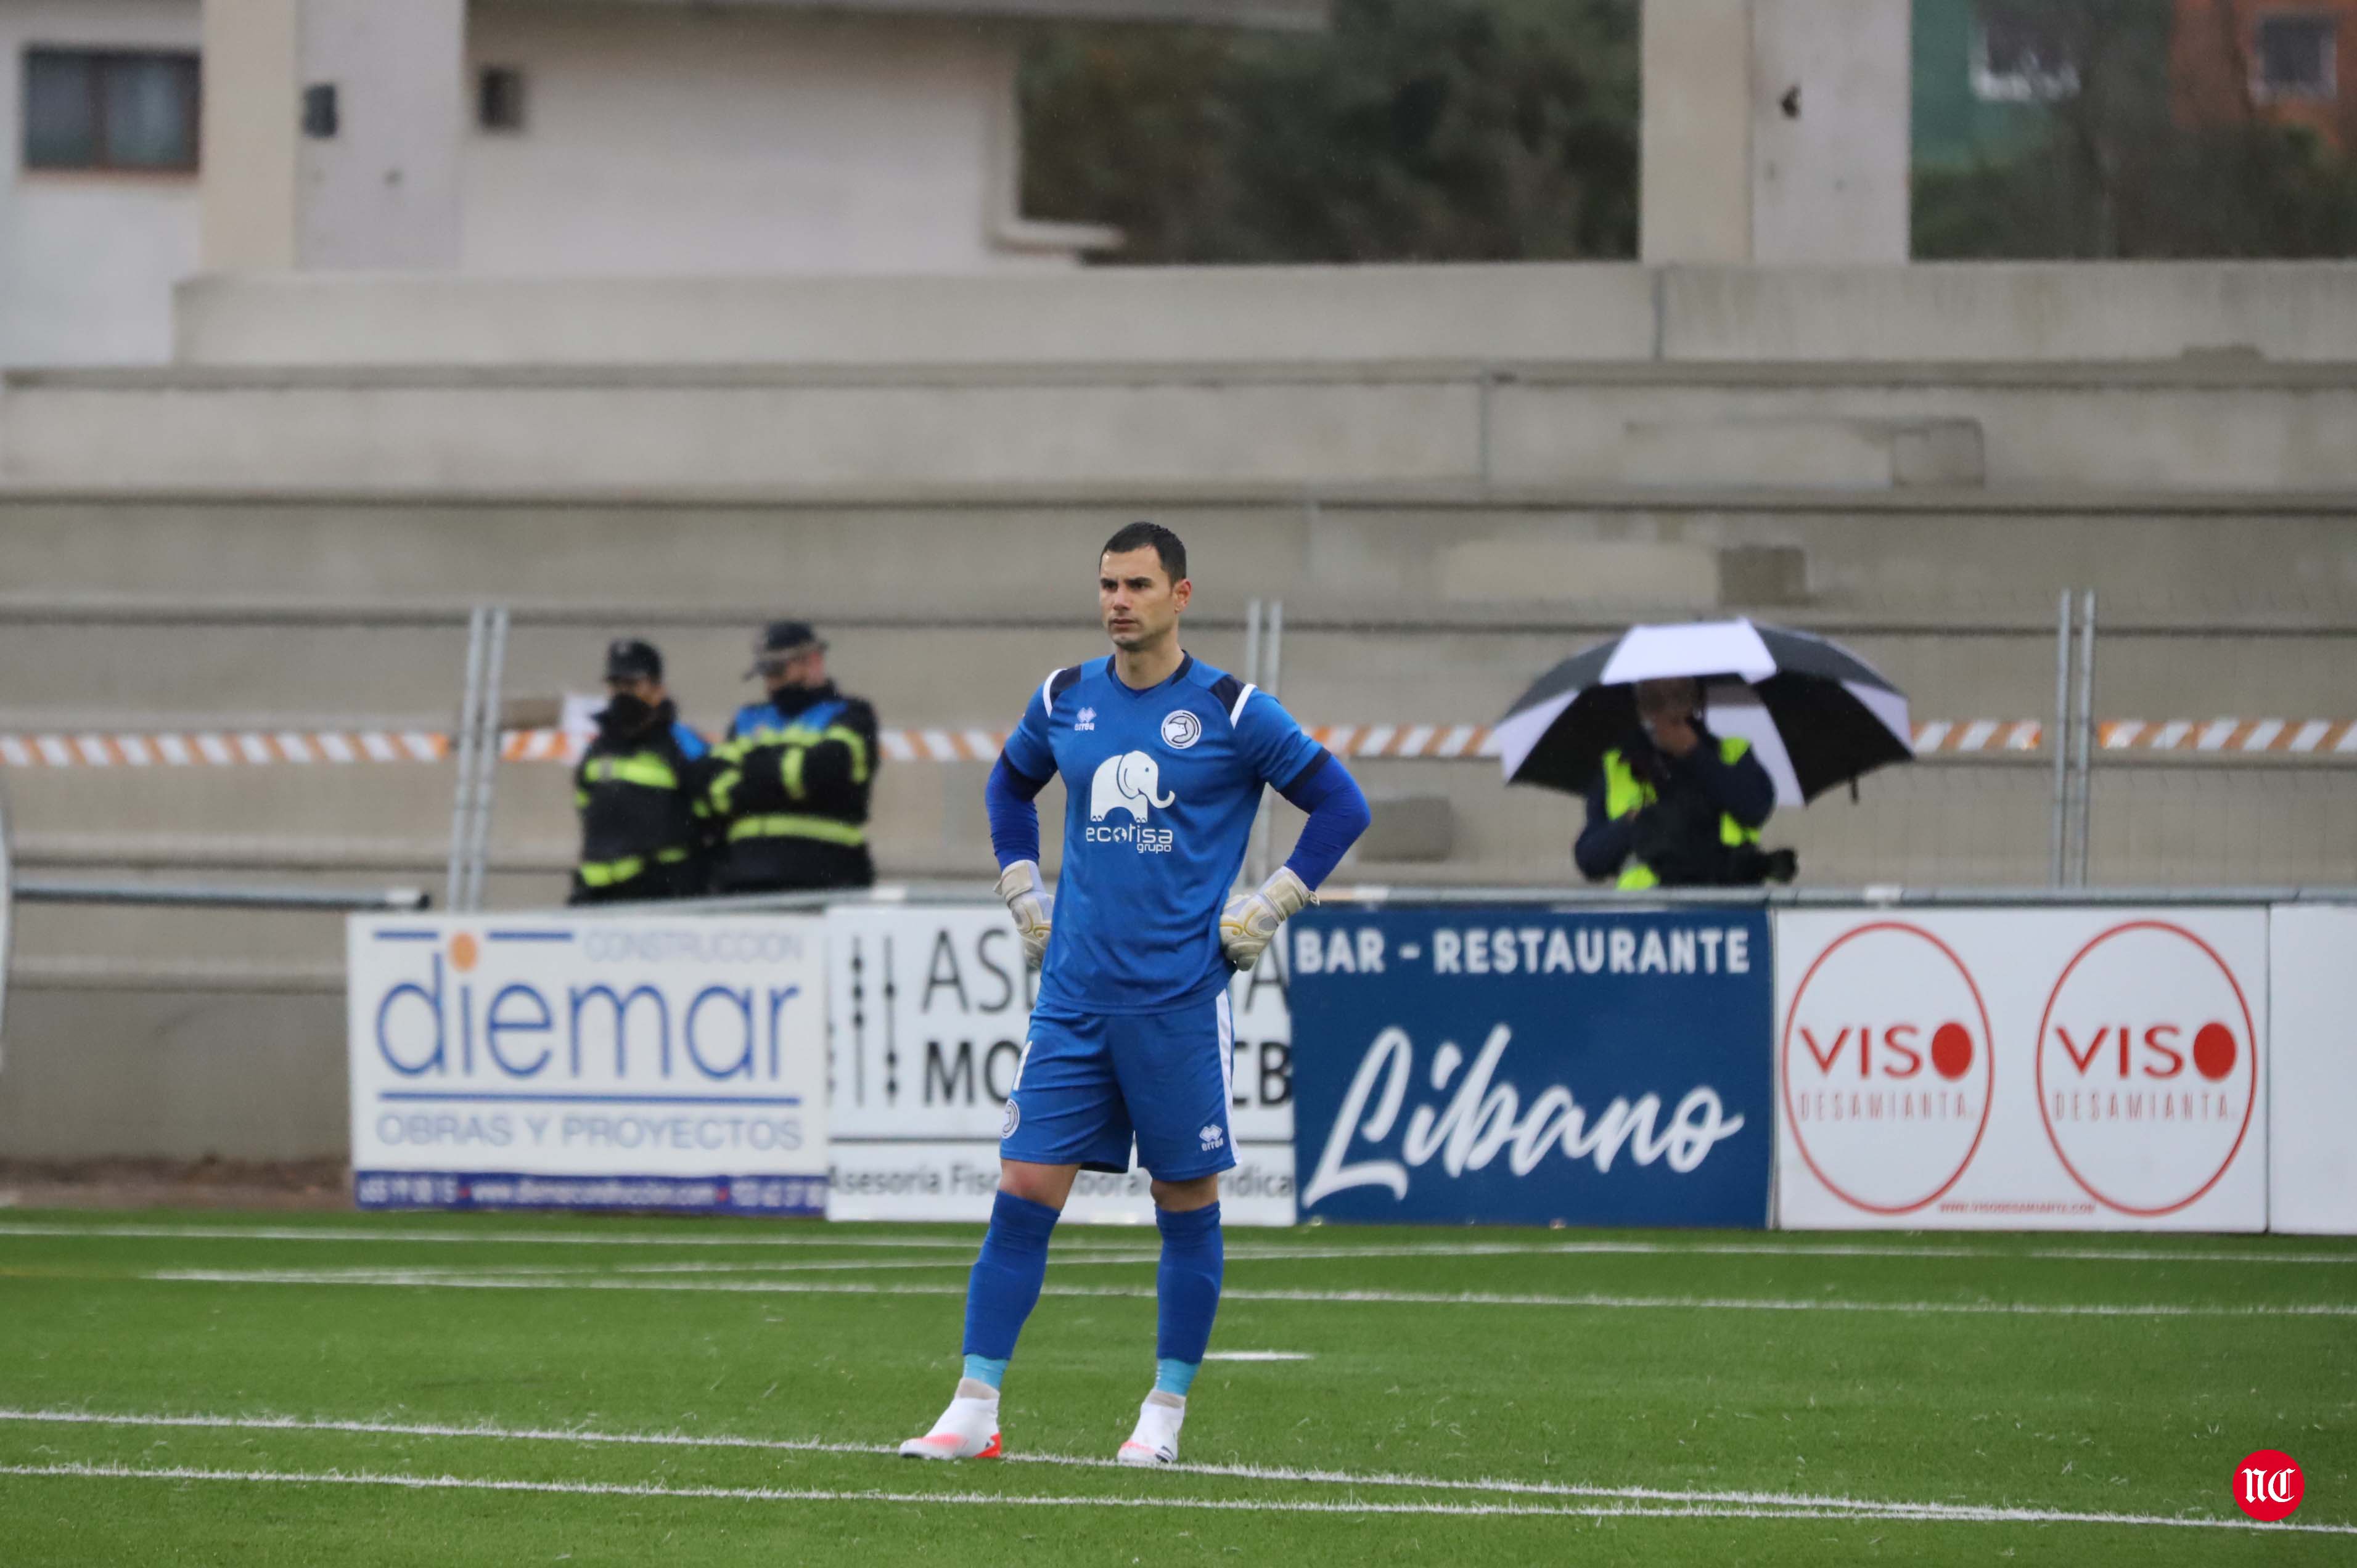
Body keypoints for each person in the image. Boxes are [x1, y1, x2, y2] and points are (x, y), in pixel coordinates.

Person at [899, 521, 1370, 1468]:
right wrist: (1020, 886)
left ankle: (1162, 1417)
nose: (1118, 600)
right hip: (1072, 996)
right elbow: (1006, 788)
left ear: (1179, 595)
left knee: (1183, 1199)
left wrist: (1272, 902)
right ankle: (973, 1407)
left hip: (1179, 1000)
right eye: (1107, 584)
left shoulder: (1236, 712)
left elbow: (1341, 805)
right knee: (1023, 1189)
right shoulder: (1063, 697)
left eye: (1137, 585)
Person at [705, 619, 879, 894]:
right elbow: (716, 790)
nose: (771, 684)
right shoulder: (747, 718)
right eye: (766, 674)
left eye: (778, 672)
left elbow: (825, 770)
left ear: (813, 662)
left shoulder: (852, 715)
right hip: (745, 875)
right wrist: (789, 776)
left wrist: (752, 772)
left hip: (825, 873)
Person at [1574, 676, 1787, 889]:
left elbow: (1755, 808)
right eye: (1654, 696)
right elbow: (1590, 859)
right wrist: (1633, 821)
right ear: (1639, 704)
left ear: (1695, 698)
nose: (1666, 705)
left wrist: (1694, 753)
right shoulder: (1618, 765)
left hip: (1727, 904)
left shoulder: (1732, 753)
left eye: (1676, 692)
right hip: (1647, 911)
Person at [568, 639, 713, 904]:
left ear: (658, 690)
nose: (623, 694)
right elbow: (586, 809)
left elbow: (710, 813)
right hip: (597, 895)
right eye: (616, 685)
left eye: (632, 685)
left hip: (660, 895)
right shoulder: (598, 748)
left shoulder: (682, 743)